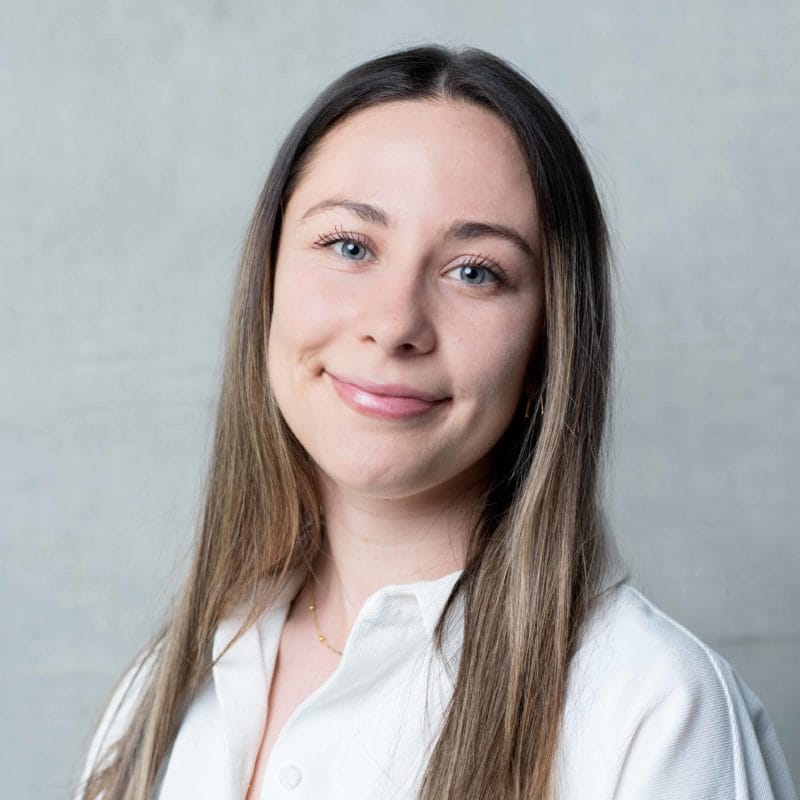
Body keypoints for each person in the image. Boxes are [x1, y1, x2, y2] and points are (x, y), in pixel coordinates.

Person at [73, 44, 797, 800]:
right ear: (268, 283)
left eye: (474, 271)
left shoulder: (657, 715)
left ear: (550, 341)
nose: (395, 325)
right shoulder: (166, 689)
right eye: (350, 246)